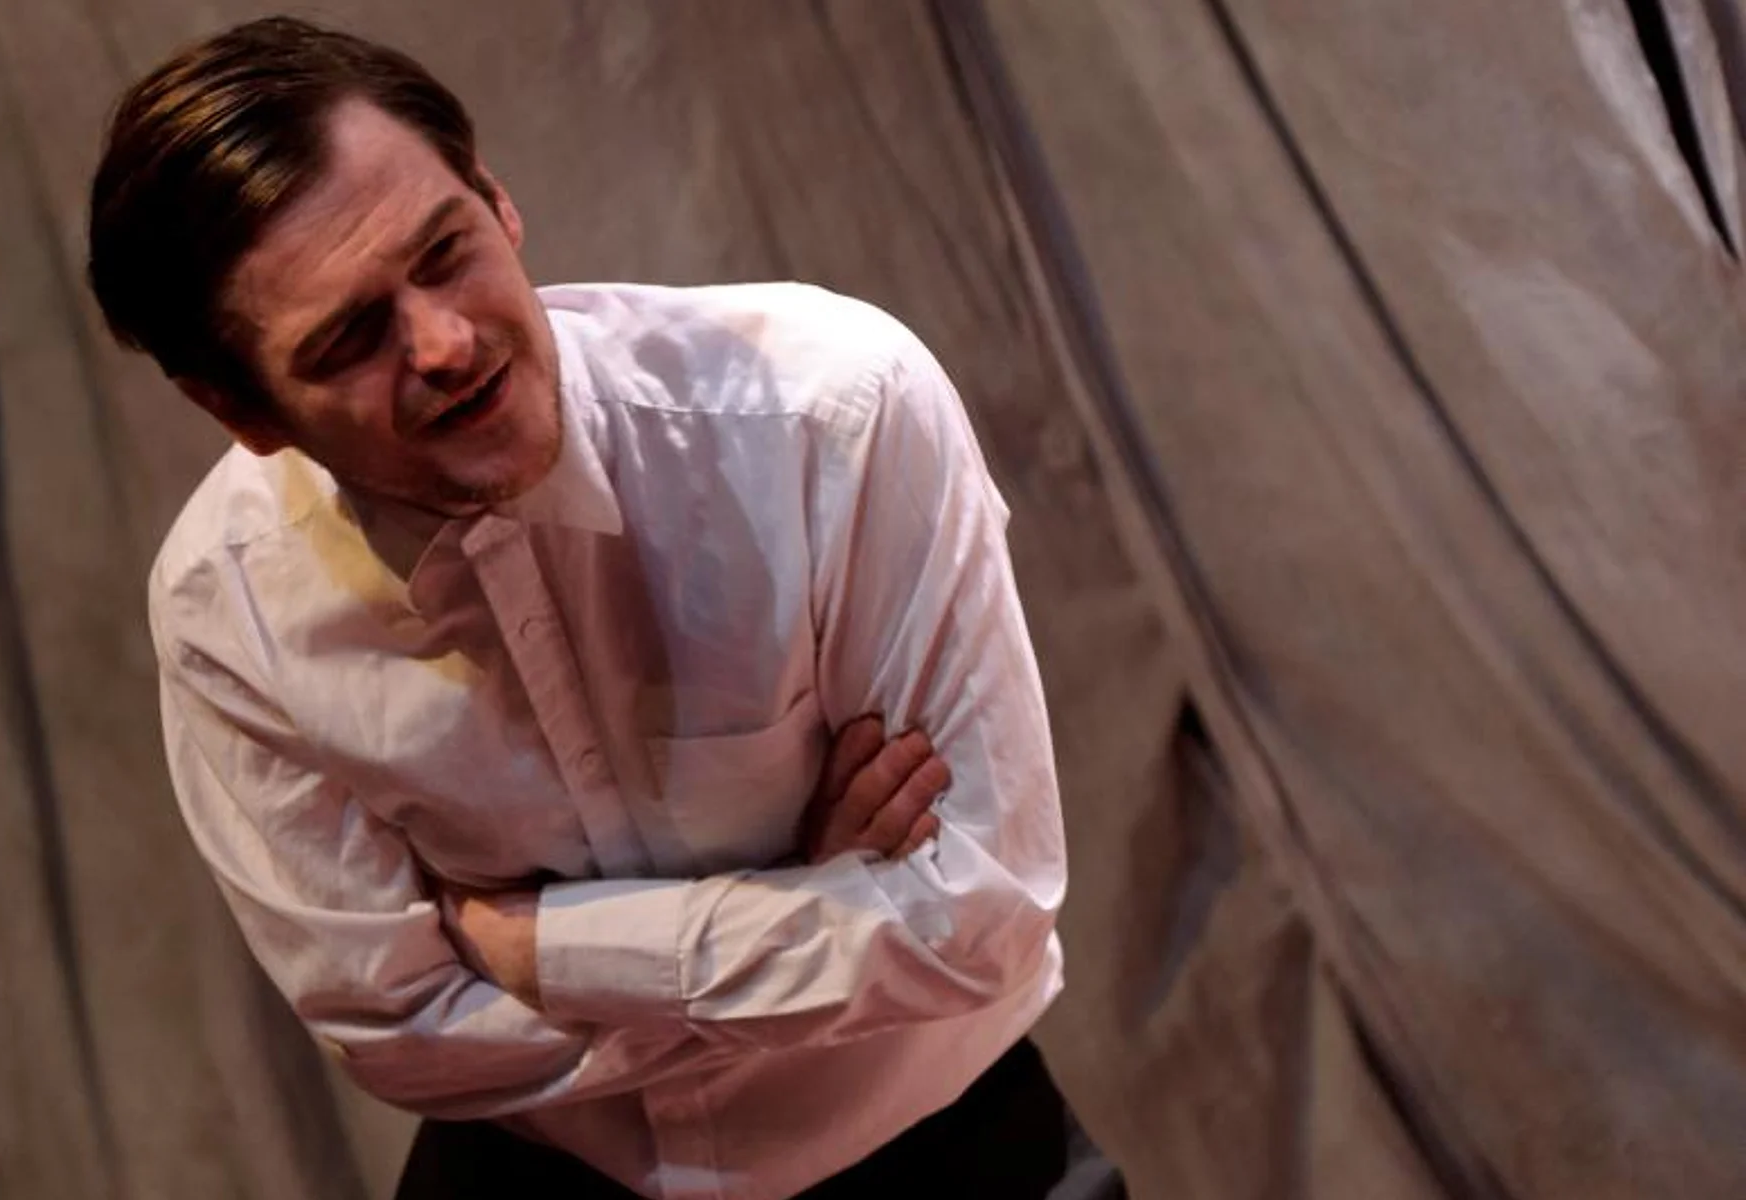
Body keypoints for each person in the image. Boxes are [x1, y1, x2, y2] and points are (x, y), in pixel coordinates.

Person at [89, 16, 1069, 1199]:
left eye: (444, 251)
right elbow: (400, 1034)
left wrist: (545, 948)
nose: (445, 344)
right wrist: (811, 906)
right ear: (242, 412)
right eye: (350, 338)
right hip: (540, 1180)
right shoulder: (226, 602)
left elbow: (982, 916)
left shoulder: (832, 415)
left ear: (497, 198)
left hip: (949, 1153)